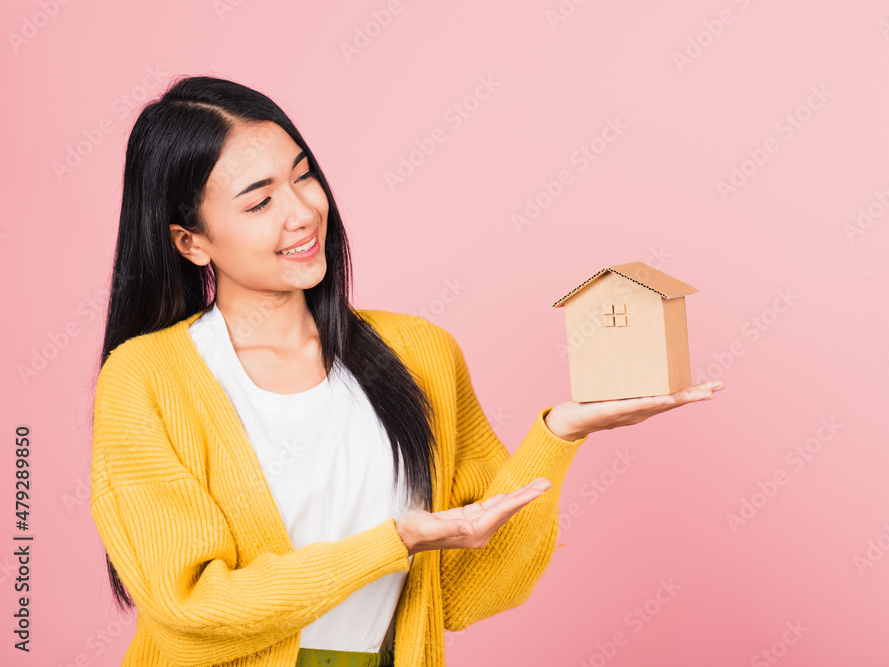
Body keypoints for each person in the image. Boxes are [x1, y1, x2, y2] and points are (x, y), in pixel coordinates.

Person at [89, 75, 724, 667]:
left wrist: (557, 436)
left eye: (302, 175)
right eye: (259, 202)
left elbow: (468, 592)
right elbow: (192, 605)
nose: (302, 211)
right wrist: (393, 542)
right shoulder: (147, 379)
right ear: (190, 242)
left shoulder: (420, 352)